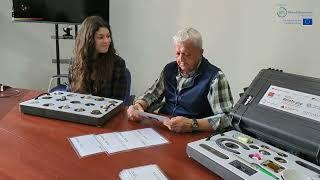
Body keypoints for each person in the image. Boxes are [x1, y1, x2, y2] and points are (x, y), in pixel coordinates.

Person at [127, 27, 233, 133]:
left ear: (201, 53)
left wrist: (193, 124)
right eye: (178, 53)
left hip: (194, 135)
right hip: (165, 128)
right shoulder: (169, 69)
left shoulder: (215, 77)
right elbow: (153, 94)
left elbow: (227, 117)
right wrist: (138, 105)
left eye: (187, 54)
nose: (181, 59)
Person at [68, 16, 127, 100]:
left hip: (107, 111)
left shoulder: (118, 63)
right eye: (100, 37)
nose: (107, 41)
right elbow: (71, 95)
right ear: (88, 40)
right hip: (80, 110)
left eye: (108, 36)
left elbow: (118, 101)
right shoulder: (75, 61)